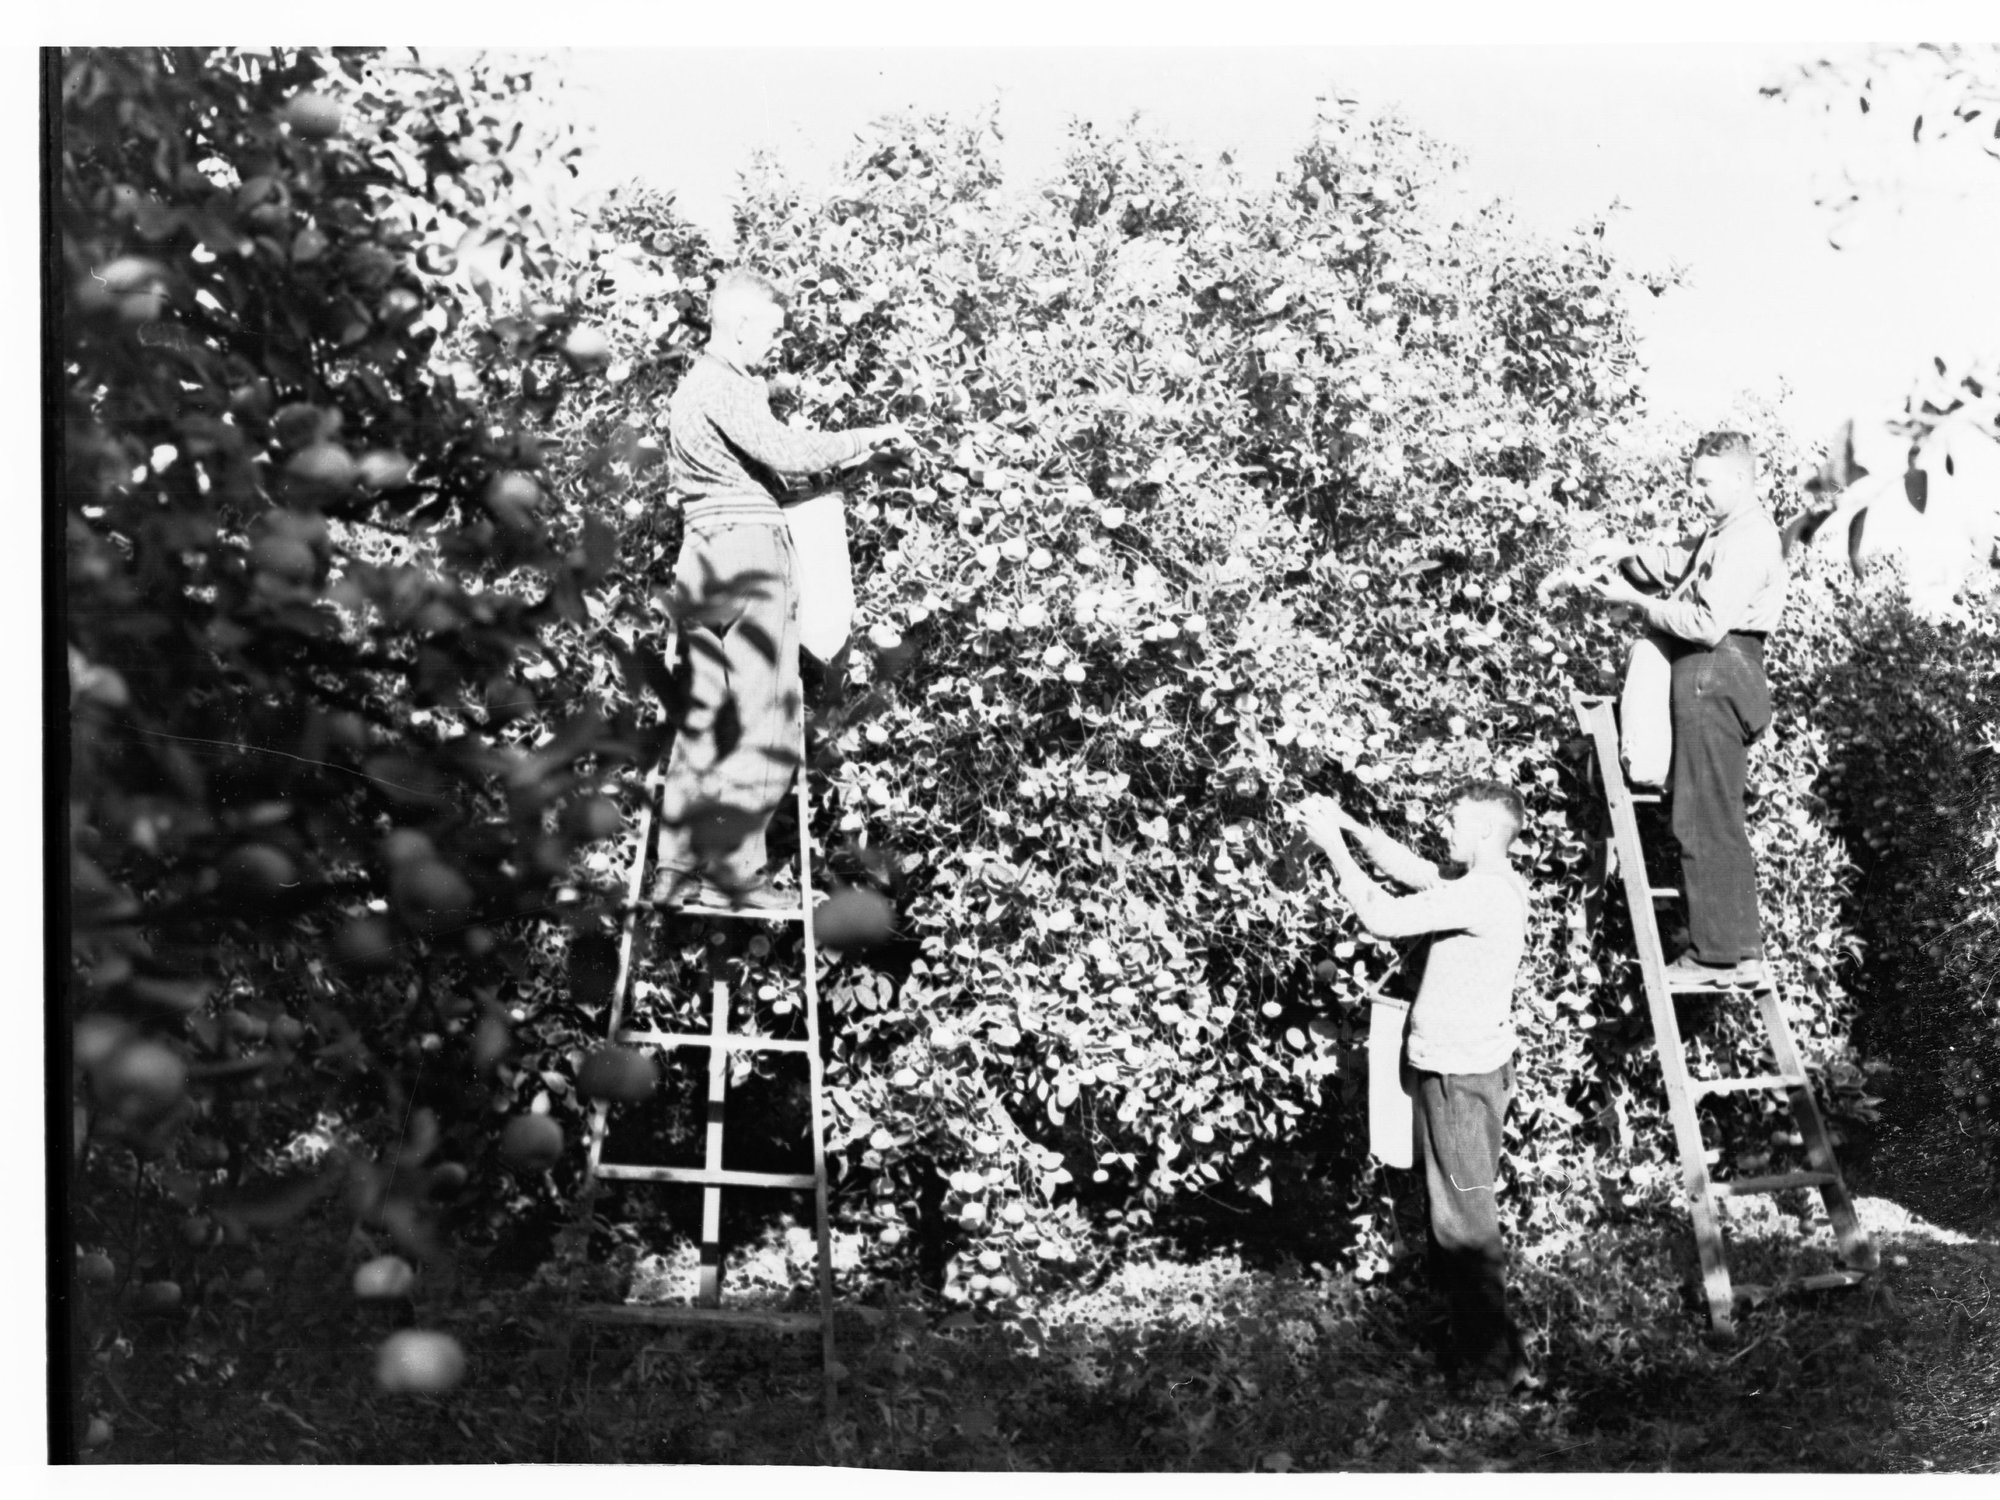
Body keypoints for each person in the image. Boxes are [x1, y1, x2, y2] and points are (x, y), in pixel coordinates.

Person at [651, 268, 909, 911]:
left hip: (700, 559)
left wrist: (854, 466)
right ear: (739, 326)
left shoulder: (690, 393)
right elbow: (785, 451)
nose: (773, 347)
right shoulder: (729, 383)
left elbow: (763, 474)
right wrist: (865, 437)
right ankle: (736, 874)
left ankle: (675, 869)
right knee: (767, 715)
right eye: (770, 332)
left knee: (705, 718)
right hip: (749, 556)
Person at [1295, 781, 1535, 1394]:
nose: (1445, 829)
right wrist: (1351, 824)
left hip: (1459, 1082)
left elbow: (1382, 917)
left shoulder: (1482, 895)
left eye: (1455, 821)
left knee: (1463, 1222)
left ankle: (1492, 1373)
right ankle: (1484, 1352)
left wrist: (1334, 852)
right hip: (1457, 1073)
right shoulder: (1493, 882)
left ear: (1484, 831)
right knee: (1457, 1214)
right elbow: (1420, 872)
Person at [1576, 430, 1787, 988]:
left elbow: (1705, 623)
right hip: (1723, 673)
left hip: (1715, 672)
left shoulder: (1746, 539)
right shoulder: (1728, 533)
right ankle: (1740, 951)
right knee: (1718, 814)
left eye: (1705, 481)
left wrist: (1638, 604)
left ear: (1739, 480)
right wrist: (1627, 554)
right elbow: (1683, 562)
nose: (1695, 491)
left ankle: (1713, 954)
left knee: (1698, 816)